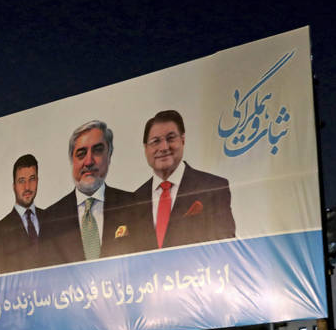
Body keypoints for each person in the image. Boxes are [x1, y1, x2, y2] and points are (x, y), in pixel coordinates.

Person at [112, 109, 236, 253]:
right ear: (146, 148)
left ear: (183, 140)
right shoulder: (134, 201)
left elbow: (226, 249)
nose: (164, 147)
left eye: (170, 138)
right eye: (155, 141)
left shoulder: (213, 188)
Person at [42, 120, 137, 264]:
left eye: (97, 151)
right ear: (71, 160)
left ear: (109, 156)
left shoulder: (134, 205)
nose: (88, 161)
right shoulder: (49, 220)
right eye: (81, 154)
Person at [0, 154, 50, 272]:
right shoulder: (0, 229)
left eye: (32, 179)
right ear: (14, 186)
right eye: (21, 181)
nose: (27, 187)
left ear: (37, 181)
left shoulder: (50, 218)